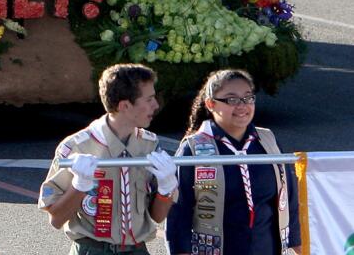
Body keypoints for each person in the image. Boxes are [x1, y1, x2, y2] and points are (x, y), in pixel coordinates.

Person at [41, 63, 178, 254]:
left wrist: (166, 187)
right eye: (149, 99)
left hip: (136, 249)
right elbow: (56, 219)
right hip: (92, 249)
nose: (155, 105)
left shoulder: (150, 146)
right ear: (125, 106)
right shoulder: (77, 147)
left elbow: (157, 216)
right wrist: (80, 185)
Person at [167, 69, 299, 255]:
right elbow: (179, 213)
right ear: (211, 104)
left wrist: (299, 246)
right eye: (231, 99)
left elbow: (290, 199)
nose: (242, 106)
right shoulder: (193, 149)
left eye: (248, 98)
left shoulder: (267, 140)